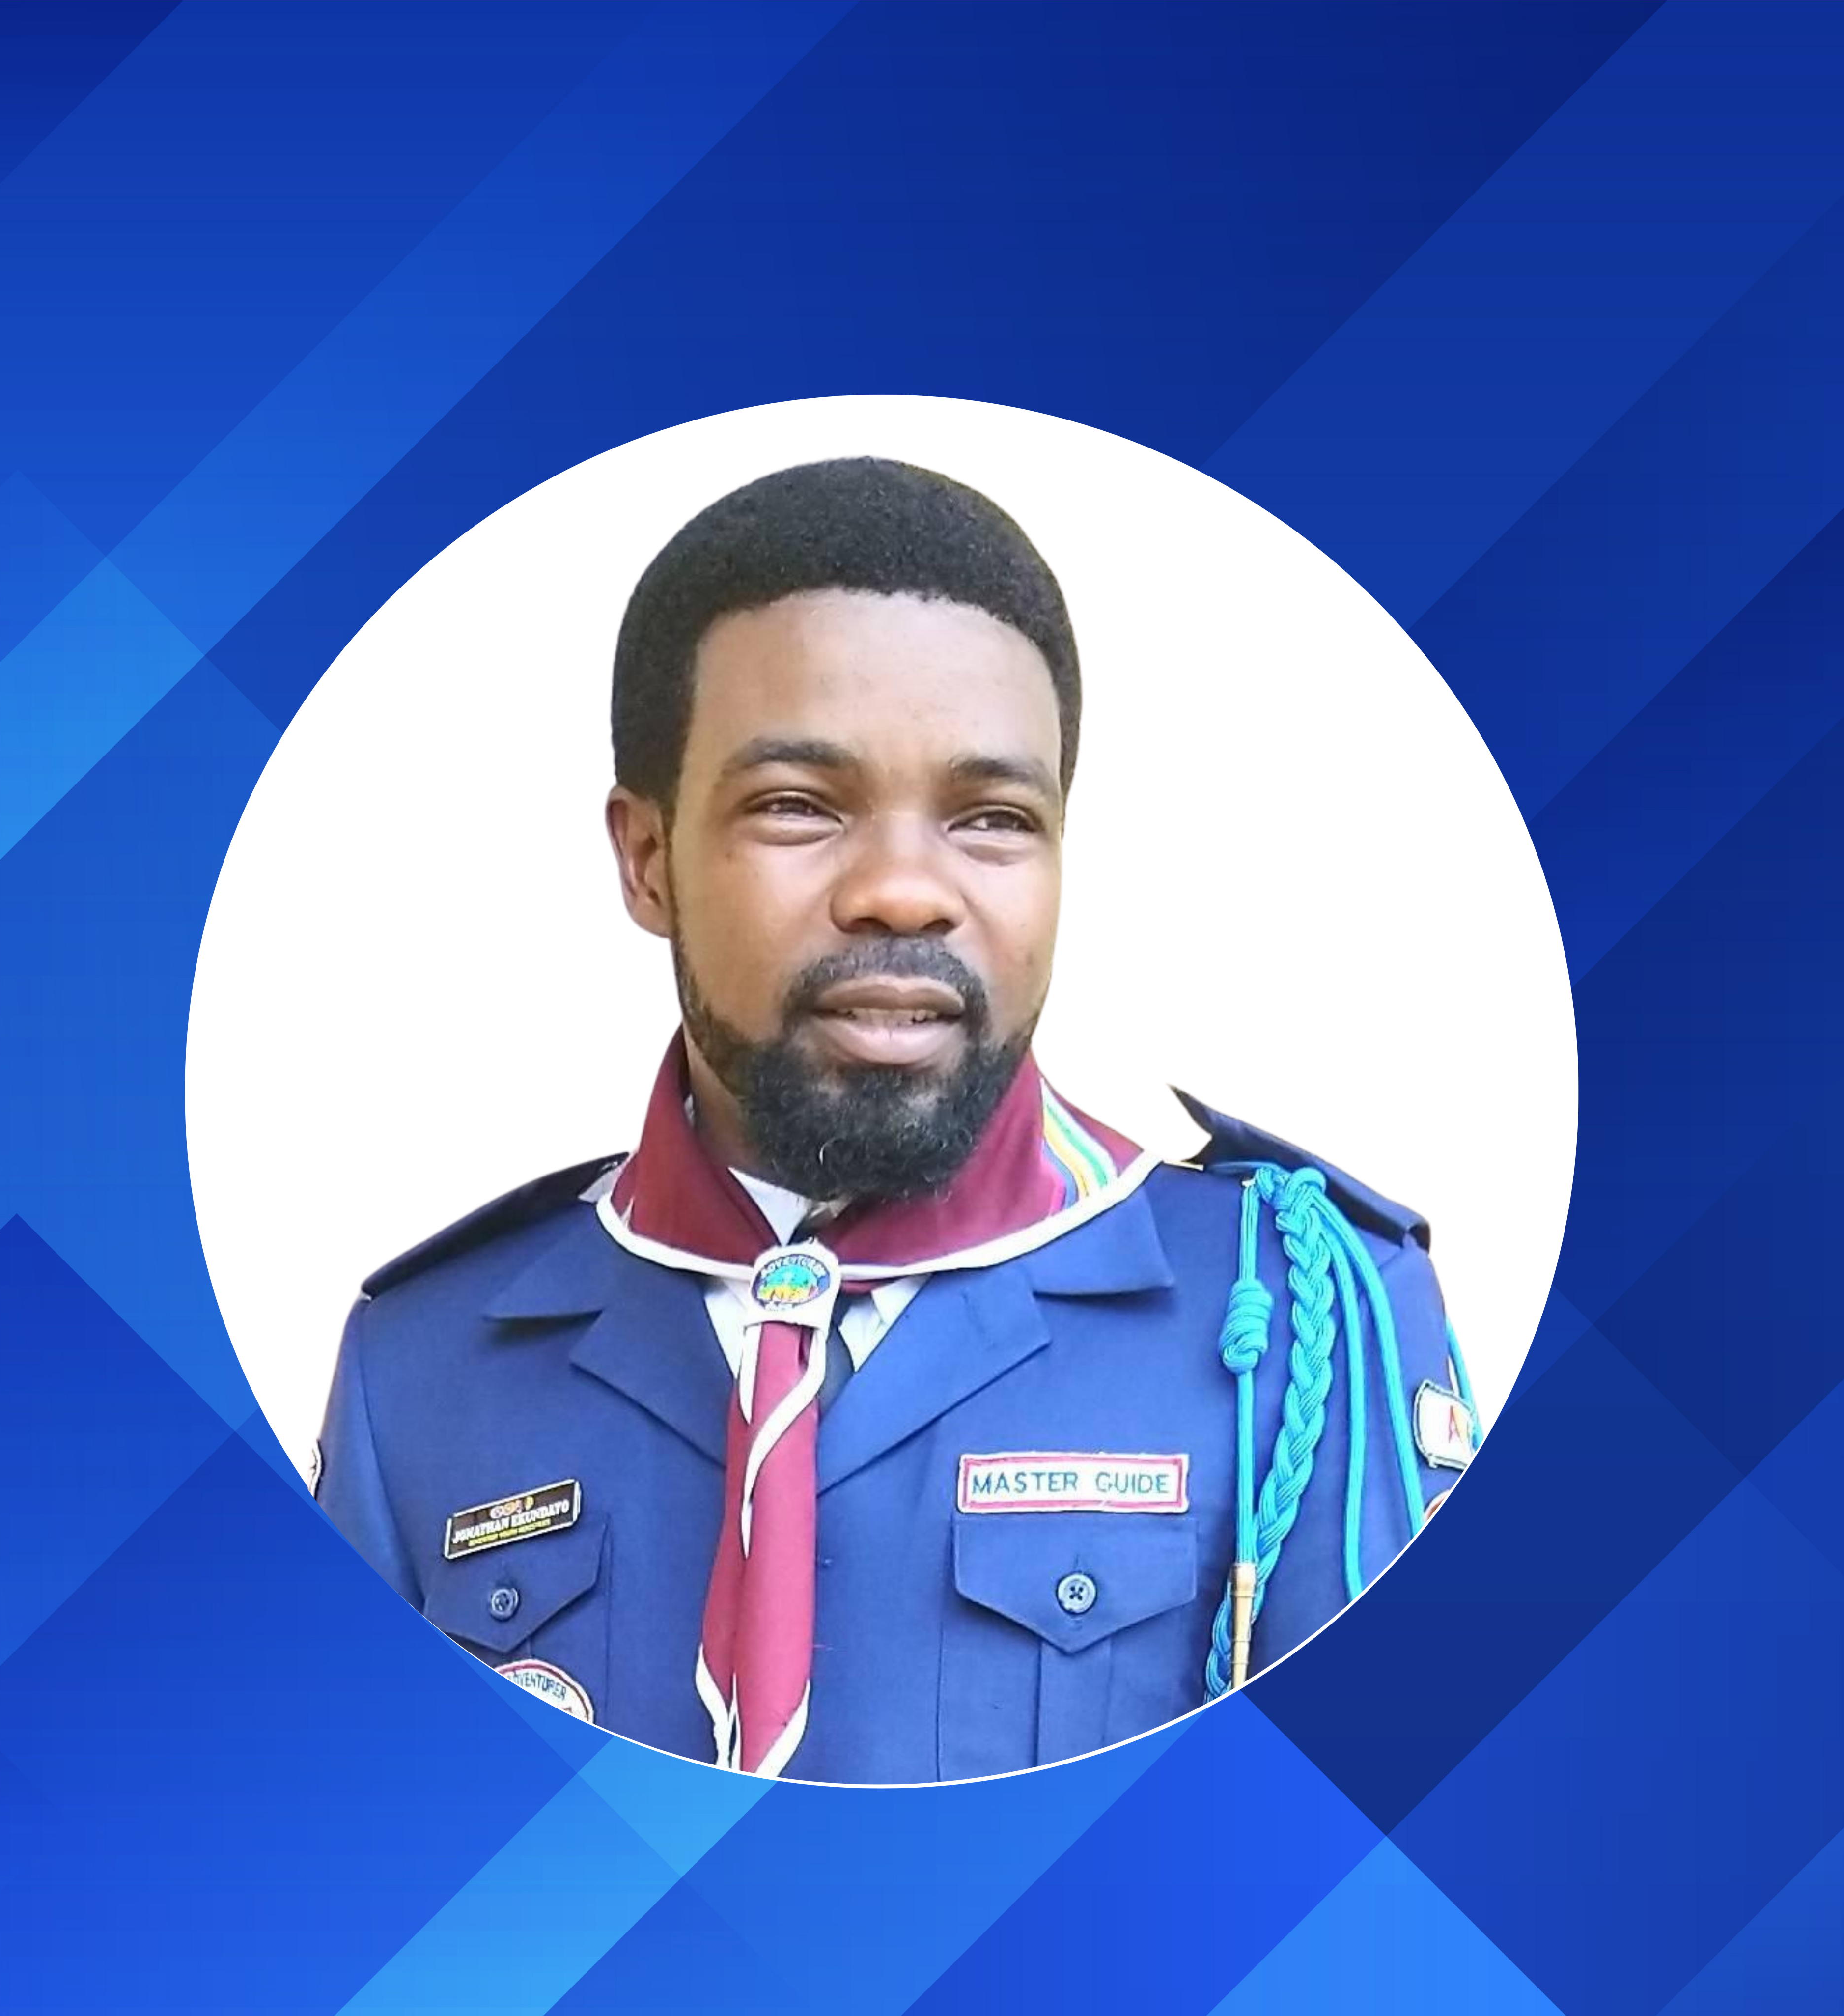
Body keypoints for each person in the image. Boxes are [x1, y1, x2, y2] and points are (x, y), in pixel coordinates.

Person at [314, 457, 1479, 1781]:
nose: (905, 891)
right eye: (798, 807)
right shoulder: (420, 1374)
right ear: (647, 858)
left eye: (994, 818)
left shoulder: (1301, 1320)